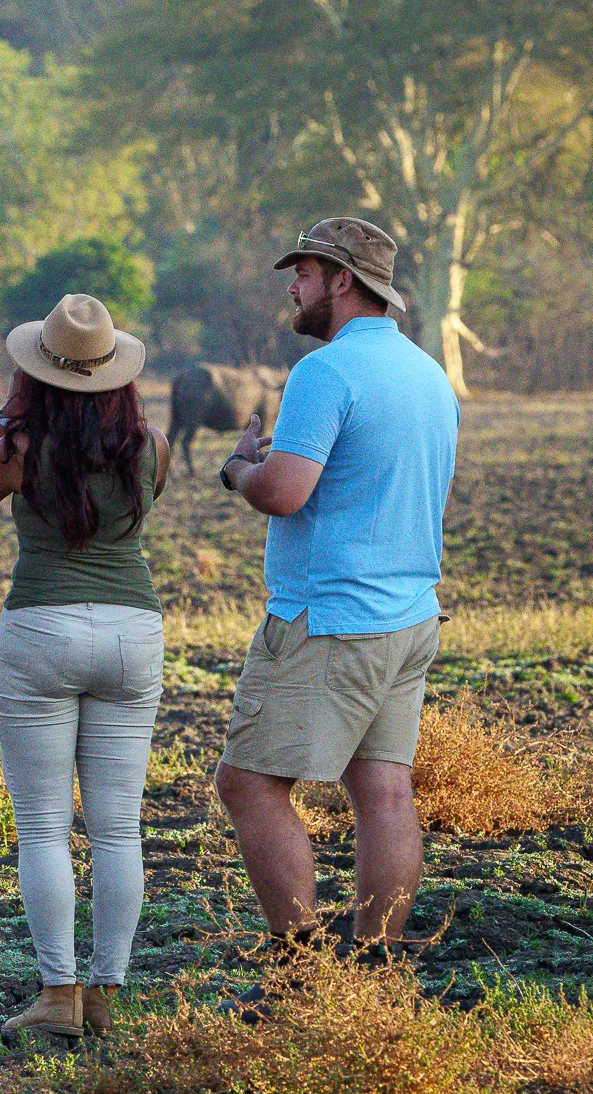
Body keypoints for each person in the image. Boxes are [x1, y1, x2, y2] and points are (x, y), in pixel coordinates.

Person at [213, 218, 459, 994]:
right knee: (383, 791)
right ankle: (377, 966)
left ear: (341, 280)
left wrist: (239, 469)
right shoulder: (428, 375)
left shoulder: (325, 371)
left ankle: (298, 973)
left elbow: (286, 492)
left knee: (248, 784)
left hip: (331, 618)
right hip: (411, 615)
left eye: (305, 272)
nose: (293, 285)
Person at [0, 293, 170, 1040]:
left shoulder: (17, 449)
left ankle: (58, 996)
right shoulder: (154, 446)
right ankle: (106, 994)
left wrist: (5, 420)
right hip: (131, 632)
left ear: (36, 375)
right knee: (118, 830)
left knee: (43, 828)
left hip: (39, 627)